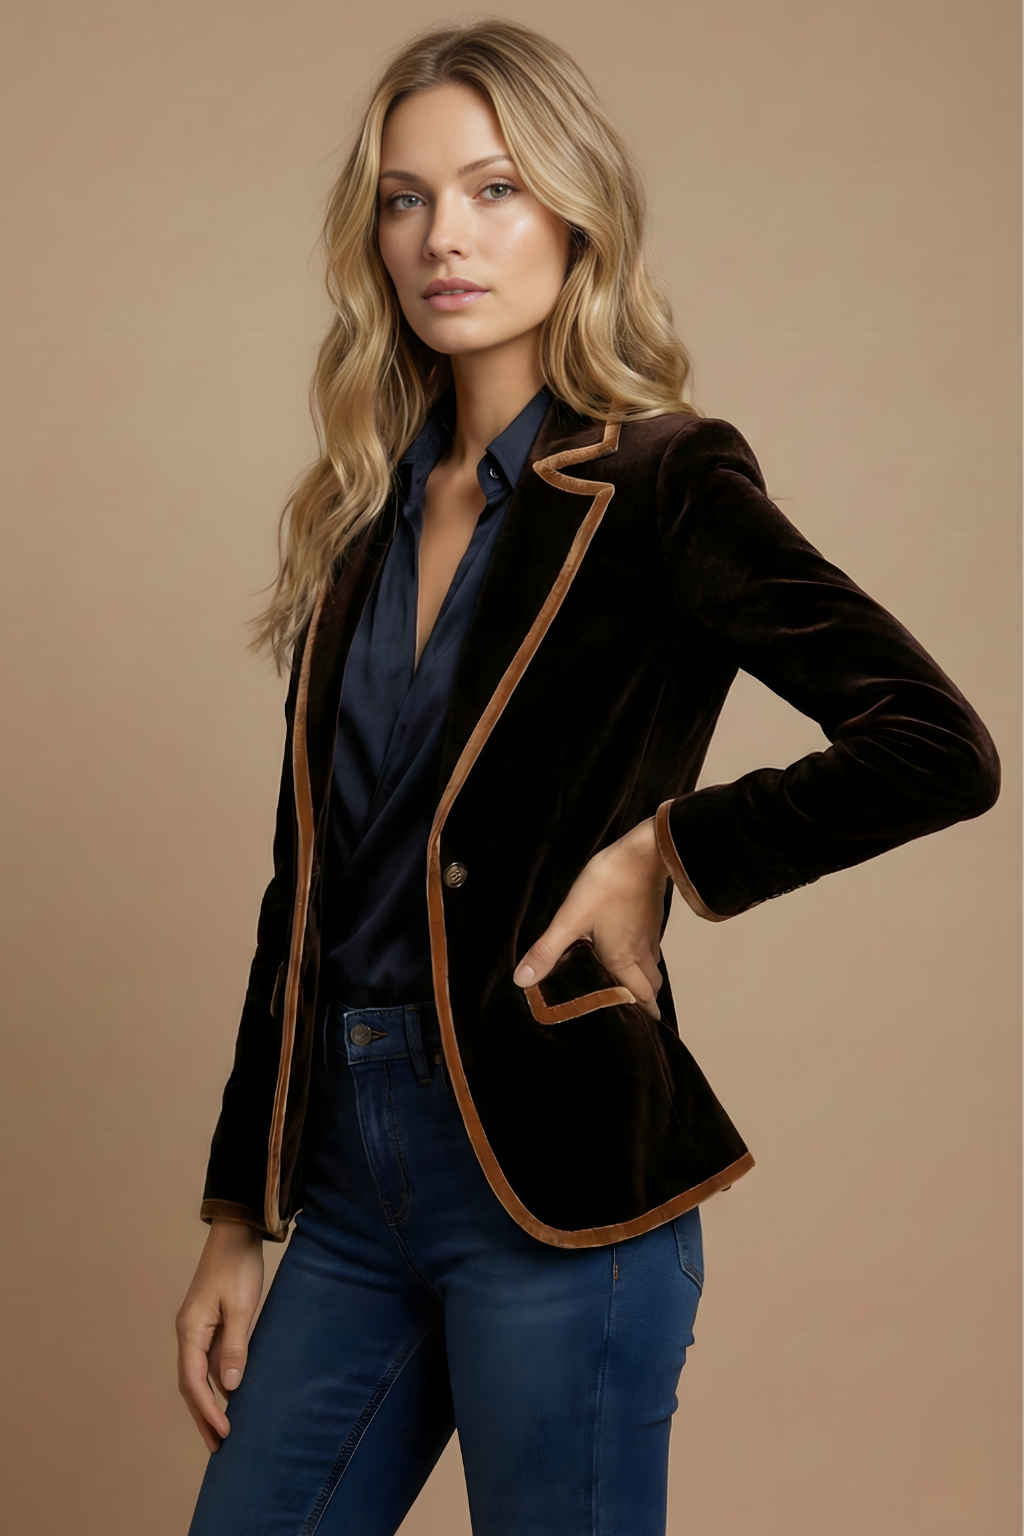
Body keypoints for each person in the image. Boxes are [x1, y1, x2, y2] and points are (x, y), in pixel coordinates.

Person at [176, 18, 1000, 1536]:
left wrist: (663, 851)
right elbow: (308, 889)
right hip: (349, 1179)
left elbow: (936, 745)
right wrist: (240, 1210)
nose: (445, 237)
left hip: (555, 1174)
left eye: (494, 189)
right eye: (408, 198)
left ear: (577, 213)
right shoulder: (357, 527)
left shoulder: (663, 480)